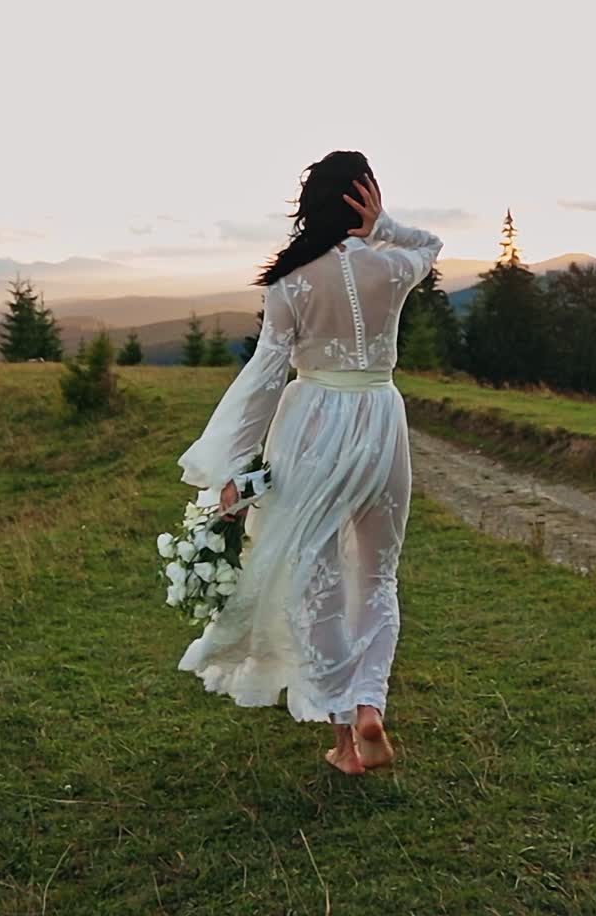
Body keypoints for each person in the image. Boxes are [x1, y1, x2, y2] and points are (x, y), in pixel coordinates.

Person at [175, 150, 443, 774]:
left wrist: (236, 468)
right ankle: (370, 700)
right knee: (377, 576)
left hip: (311, 427)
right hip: (380, 418)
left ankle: (346, 736)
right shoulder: (394, 265)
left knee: (314, 576)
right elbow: (432, 244)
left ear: (310, 203)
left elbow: (265, 378)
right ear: (365, 196)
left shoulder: (289, 280)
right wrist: (386, 226)